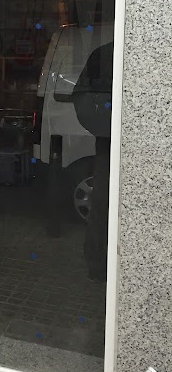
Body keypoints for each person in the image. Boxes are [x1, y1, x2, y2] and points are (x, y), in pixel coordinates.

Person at [72, 41, 113, 282]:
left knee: (102, 204)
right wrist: (106, 130)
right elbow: (82, 99)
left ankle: (98, 264)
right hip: (108, 146)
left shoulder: (104, 53)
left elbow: (81, 99)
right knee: (102, 204)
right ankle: (98, 264)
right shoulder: (105, 54)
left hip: (109, 142)